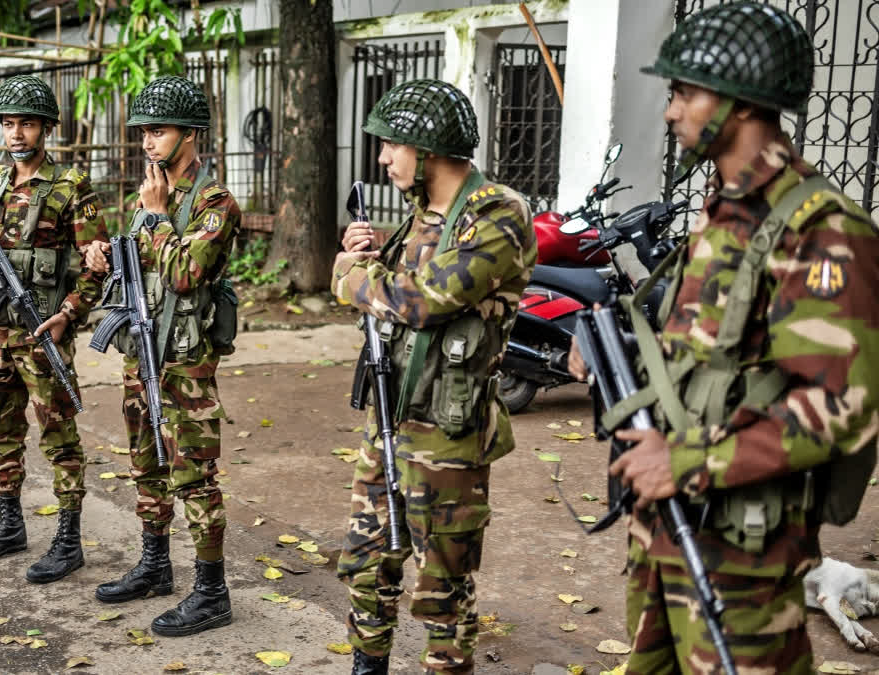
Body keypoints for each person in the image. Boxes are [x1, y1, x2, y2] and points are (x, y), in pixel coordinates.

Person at [568, 3, 879, 672]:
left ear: (737, 103)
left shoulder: (820, 230)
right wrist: (614, 364)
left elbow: (840, 406)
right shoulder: (724, 216)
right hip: (667, 533)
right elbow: (709, 362)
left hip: (742, 559)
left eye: (684, 92)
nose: (670, 111)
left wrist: (683, 461)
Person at [333, 79, 536, 674]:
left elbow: (427, 300)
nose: (382, 158)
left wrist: (352, 276)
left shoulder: (498, 212)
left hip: (448, 435)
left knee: (443, 591)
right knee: (367, 566)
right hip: (390, 422)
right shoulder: (421, 218)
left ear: (428, 149)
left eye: (392, 145)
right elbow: (392, 305)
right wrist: (366, 254)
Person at [85, 75, 240, 636]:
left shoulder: (214, 201)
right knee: (145, 464)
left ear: (191, 133)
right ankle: (154, 564)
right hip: (141, 354)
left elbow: (183, 274)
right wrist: (107, 256)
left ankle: (211, 590)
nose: (148, 142)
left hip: (185, 364)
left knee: (193, 474)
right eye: (144, 132)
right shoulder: (150, 196)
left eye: (159, 131)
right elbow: (142, 270)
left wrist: (151, 220)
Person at [0, 75, 107, 582]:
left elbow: (95, 263)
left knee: (59, 434)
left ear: (46, 129)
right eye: (9, 124)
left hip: (42, 334)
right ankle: (10, 523)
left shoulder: (70, 186)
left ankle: (68, 538)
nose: (17, 134)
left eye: (28, 124)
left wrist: (71, 314)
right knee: (0, 429)